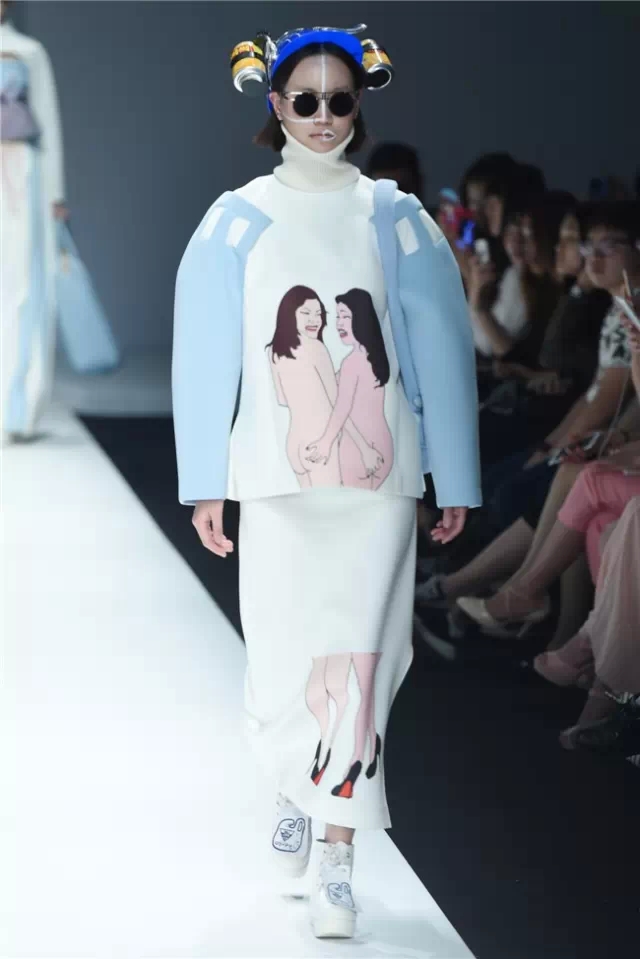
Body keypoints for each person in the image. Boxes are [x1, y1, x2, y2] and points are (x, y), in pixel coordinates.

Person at [172, 24, 480, 940]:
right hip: (274, 480)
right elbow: (204, 353)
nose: (321, 116)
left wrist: (455, 473)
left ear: (359, 106)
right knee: (280, 653)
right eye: (303, 100)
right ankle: (292, 781)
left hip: (376, 484)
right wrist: (205, 481)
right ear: (275, 104)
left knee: (363, 655)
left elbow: (441, 347)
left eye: (338, 100)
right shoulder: (238, 217)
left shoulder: (395, 215)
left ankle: (339, 851)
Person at [1, 3, 68, 442]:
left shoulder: (28, 51)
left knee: (22, 287)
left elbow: (47, 118)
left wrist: (55, 193)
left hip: (21, 176)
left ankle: (17, 410)